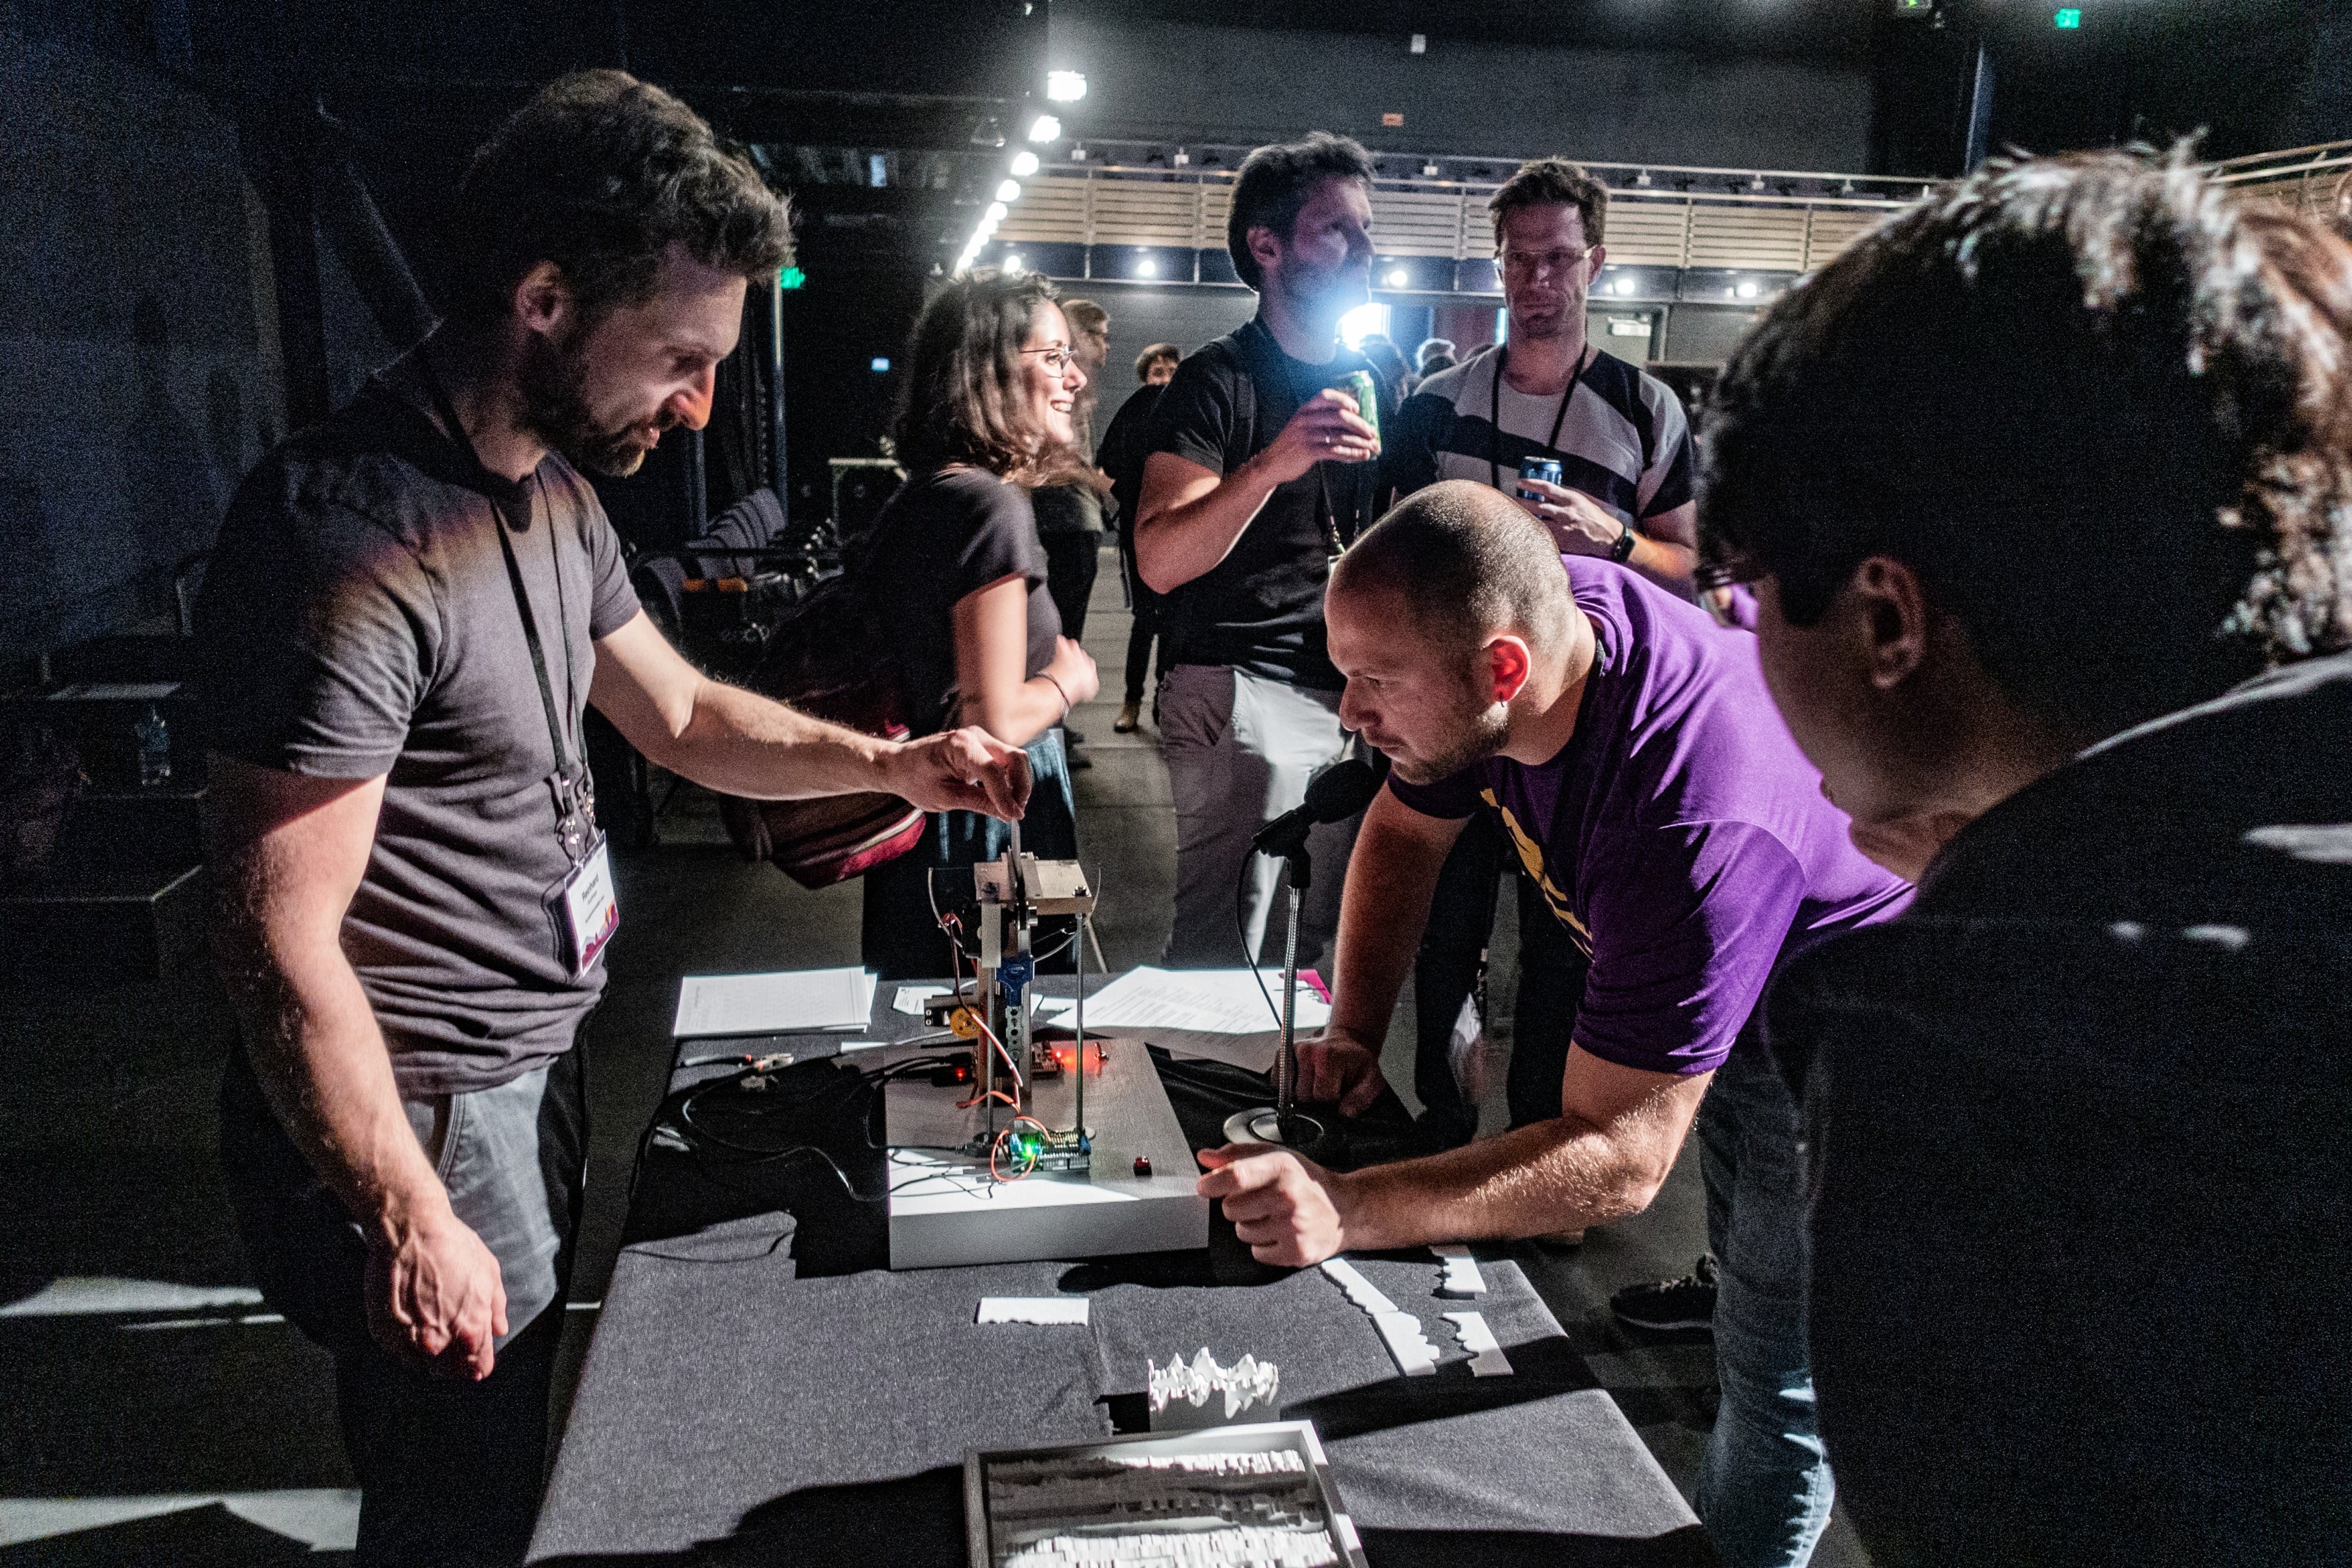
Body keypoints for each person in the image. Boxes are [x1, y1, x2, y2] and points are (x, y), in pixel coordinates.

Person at [194, 72, 1028, 1568]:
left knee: (502, 1451)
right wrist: (402, 1208)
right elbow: (277, 937)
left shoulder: (556, 497)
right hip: (431, 1100)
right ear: (544, 298)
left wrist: (894, 764)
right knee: (454, 1490)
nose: (700, 399)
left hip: (535, 1064)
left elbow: (687, 716)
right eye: (681, 356)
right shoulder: (348, 536)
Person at [1700, 148, 2352, 1566]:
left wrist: (1996, 907)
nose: (1741, 635)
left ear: (1887, 621)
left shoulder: (1982, 1047)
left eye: (1749, 588)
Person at [1191, 482, 1912, 1568]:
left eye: (1376, 681)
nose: (1349, 711)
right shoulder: (1537, 619)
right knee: (1739, 1281)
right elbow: (1402, 829)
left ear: (1504, 671)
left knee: (1774, 1379)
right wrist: (1352, 1032)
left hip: (1834, 1033)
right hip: (1721, 950)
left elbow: (1621, 1157)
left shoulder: (1686, 818)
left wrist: (1349, 1206)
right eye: (1346, 672)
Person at [1385, 159, 1702, 1157]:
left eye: (1558, 260)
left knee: (1570, 943)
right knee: (1447, 930)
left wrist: (1613, 540)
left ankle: (1540, 1143)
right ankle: (1443, 1127)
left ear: (1595, 264)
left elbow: (1689, 570)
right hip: (1453, 712)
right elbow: (1386, 564)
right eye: (1519, 260)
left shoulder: (1645, 407)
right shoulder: (1436, 403)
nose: (1536, 281)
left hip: (1579, 722)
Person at [1136, 132, 1386, 972]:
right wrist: (1275, 462)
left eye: (1365, 228)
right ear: (1266, 245)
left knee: (1319, 954)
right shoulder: (1216, 380)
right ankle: (1196, 1101)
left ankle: (1286, 1106)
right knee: (1221, 950)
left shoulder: (1367, 377)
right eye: (1337, 230)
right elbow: (1159, 557)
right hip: (1240, 681)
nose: (1363, 249)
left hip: (1349, 693)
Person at [854, 270, 1102, 980]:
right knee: (1008, 1046)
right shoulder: (989, 507)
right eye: (1053, 356)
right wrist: (1066, 682)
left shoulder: (928, 496)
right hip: (988, 820)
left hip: (930, 824)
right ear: (990, 369)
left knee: (936, 1045)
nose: (1074, 377)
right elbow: (992, 718)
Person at [1095, 342, 1183, 733]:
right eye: (1156, 373)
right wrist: (1131, 500)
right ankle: (1132, 700)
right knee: (1145, 619)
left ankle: (1164, 703)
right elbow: (1107, 466)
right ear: (1145, 377)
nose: (1164, 379)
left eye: (1170, 371)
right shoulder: (1135, 408)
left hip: (1182, 526)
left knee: (1174, 619)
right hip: (1140, 528)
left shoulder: (1190, 408)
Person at [1033, 298, 1112, 651]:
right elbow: (1061, 455)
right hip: (1068, 519)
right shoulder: (1069, 385)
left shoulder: (1077, 382)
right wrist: (1103, 486)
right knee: (1063, 634)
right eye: (1099, 336)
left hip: (1069, 517)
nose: (1105, 346)